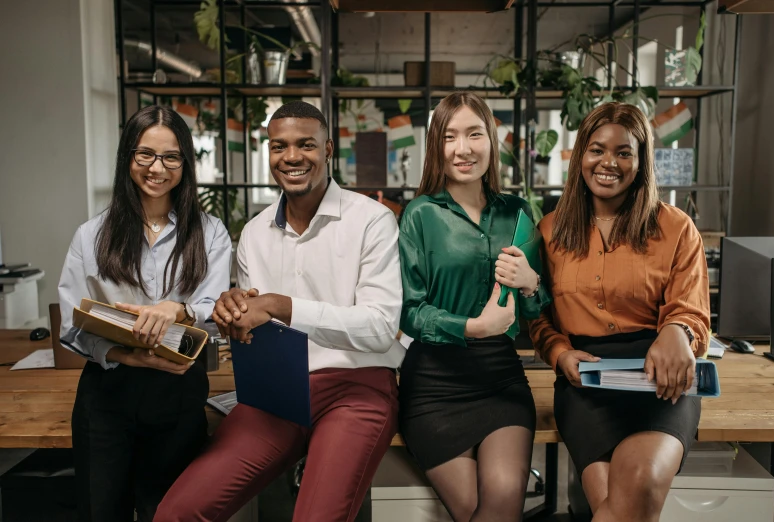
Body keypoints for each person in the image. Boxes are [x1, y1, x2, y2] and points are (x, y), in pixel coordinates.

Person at [154, 101, 404, 522]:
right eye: (278, 146)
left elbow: (380, 328)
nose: (291, 157)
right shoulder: (253, 233)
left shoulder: (372, 221)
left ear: (327, 150)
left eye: (305, 144)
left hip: (356, 390)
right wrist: (233, 315)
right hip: (275, 393)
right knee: (176, 513)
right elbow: (255, 325)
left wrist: (279, 306)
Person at [529, 102, 710, 522]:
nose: (608, 162)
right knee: (625, 503)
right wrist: (559, 353)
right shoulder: (550, 231)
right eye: (597, 149)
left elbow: (693, 310)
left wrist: (678, 331)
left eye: (623, 152)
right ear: (580, 157)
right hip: (585, 383)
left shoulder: (676, 227)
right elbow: (537, 315)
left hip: (661, 381)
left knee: (641, 478)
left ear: (640, 161)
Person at [58, 105, 232, 522]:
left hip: (178, 392)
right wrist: (124, 354)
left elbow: (218, 311)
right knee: (101, 512)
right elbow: (70, 325)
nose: (158, 168)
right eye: (145, 155)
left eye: (171, 157)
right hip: (108, 393)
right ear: (128, 159)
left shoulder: (210, 233)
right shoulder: (92, 234)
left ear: (185, 162)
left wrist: (181, 310)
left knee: (169, 513)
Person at [397, 91, 550, 522]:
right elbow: (409, 310)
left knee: (502, 502)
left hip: (500, 380)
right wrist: (473, 327)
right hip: (433, 385)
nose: (463, 149)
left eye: (474, 134)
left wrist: (531, 283)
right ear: (436, 148)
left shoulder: (518, 212)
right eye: (450, 137)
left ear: (491, 140)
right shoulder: (419, 214)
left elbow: (539, 311)